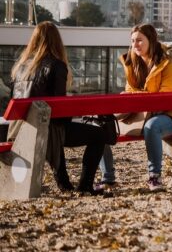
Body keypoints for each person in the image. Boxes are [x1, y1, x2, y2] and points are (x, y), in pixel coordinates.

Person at [9, 22, 107, 195]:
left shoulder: (20, 67)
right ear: (57, 41)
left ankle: (64, 184)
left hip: (19, 129)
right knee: (98, 135)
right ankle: (84, 185)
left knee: (53, 126)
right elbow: (58, 108)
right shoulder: (56, 65)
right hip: (45, 130)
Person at [103, 24, 172, 191]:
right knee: (101, 126)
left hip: (168, 116)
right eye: (132, 41)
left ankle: (155, 177)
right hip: (140, 113)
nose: (135, 45)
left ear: (151, 40)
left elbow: (165, 97)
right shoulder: (132, 62)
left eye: (139, 40)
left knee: (151, 126)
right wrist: (132, 97)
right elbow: (130, 90)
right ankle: (107, 178)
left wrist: (136, 96)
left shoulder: (168, 63)